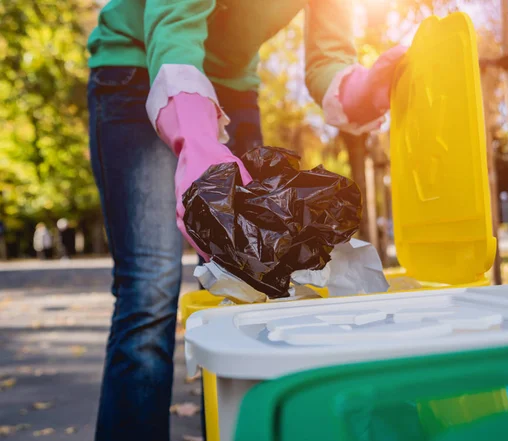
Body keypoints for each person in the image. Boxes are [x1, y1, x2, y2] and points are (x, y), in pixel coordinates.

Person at [87, 1, 406, 440]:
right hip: (137, 63)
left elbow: (327, 55)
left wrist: (361, 89)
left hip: (232, 87)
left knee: (249, 288)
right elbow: (173, 16)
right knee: (149, 286)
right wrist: (194, 132)